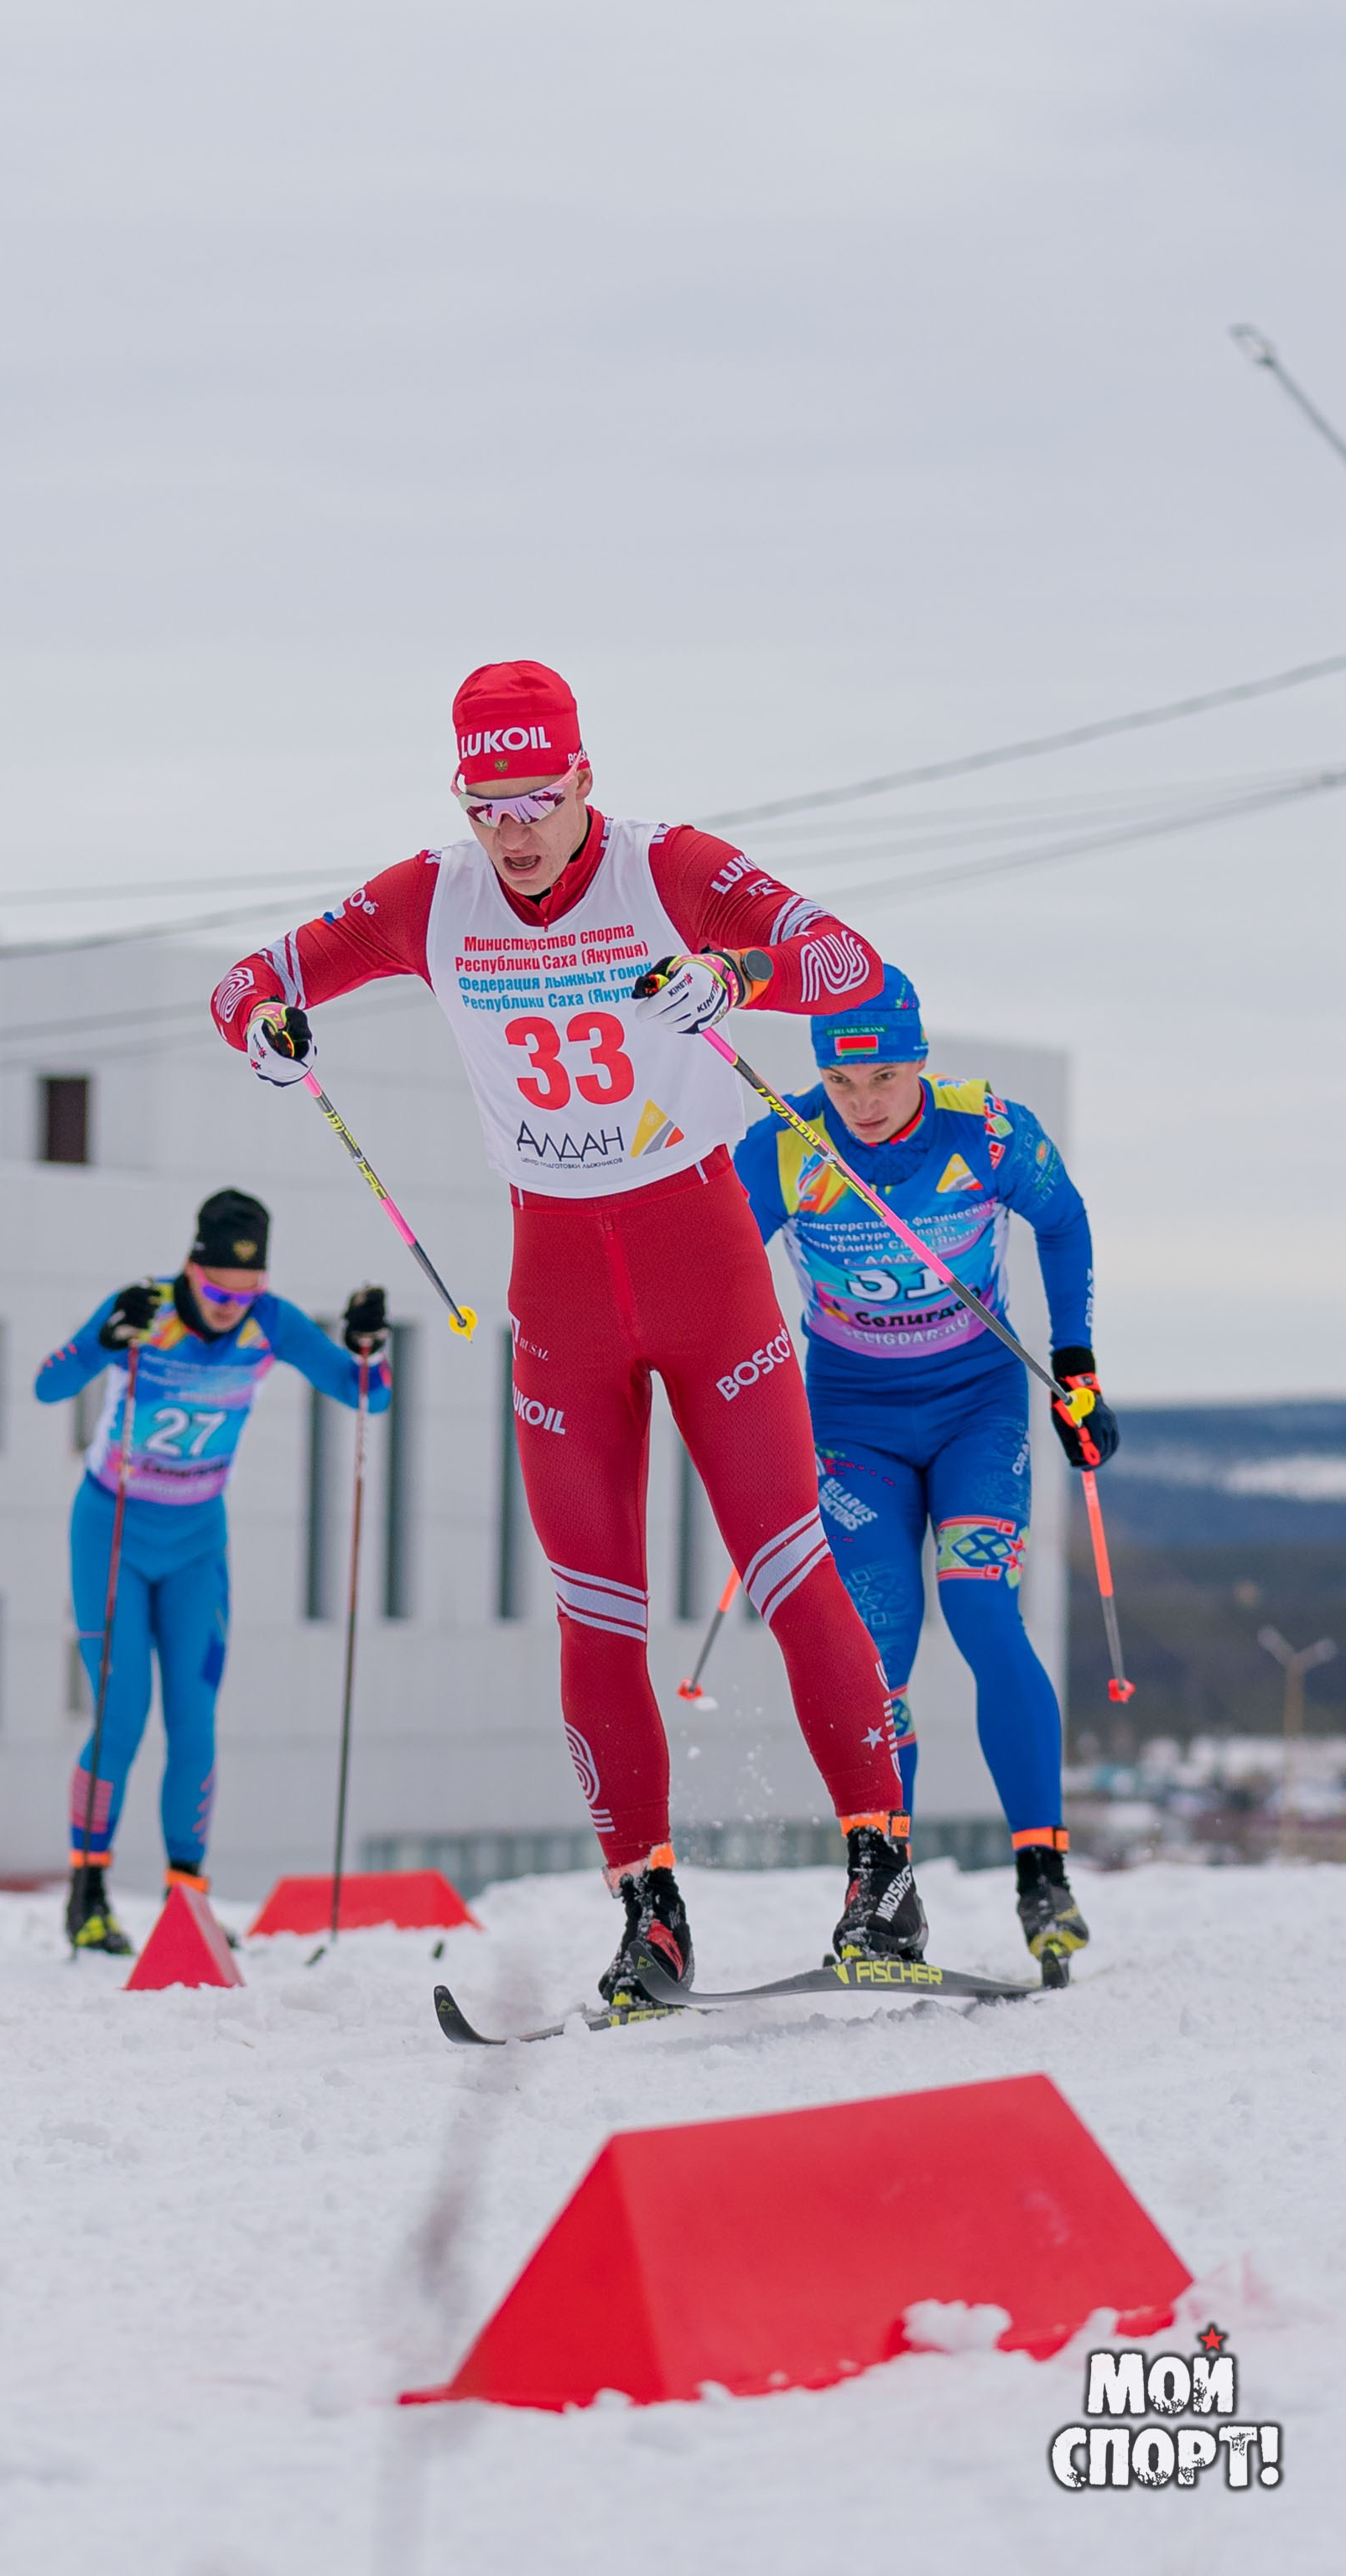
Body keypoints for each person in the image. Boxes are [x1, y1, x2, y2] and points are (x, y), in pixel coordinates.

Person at [210, 658, 924, 2006]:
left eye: (540, 796)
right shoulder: (436, 896)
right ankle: (648, 1915)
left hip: (702, 1259)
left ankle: (882, 1878)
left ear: (587, 779)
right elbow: (251, 977)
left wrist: (735, 973)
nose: (518, 830)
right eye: (492, 803)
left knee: (785, 1567)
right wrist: (265, 1023)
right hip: (561, 1284)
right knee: (595, 1610)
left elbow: (851, 963)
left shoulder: (672, 868)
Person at [731, 965, 1120, 1976]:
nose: (861, 1105)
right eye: (841, 1082)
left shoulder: (983, 1130)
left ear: (919, 1064)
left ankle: (1040, 1875)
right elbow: (718, 1270)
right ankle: (884, 1886)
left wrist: (1072, 1364)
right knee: (871, 1650)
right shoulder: (783, 1144)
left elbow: (1062, 1219)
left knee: (982, 1609)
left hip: (975, 1405)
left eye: (885, 1079)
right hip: (849, 1419)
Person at [34, 1187, 391, 1953]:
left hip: (198, 1539)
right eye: (219, 1290)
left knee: (194, 1726)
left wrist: (368, 1344)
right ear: (191, 1267)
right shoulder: (146, 1308)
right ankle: (87, 1893)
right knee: (121, 1716)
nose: (232, 1306)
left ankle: (185, 1900)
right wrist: (102, 1339)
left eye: (248, 1290)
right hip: (115, 1532)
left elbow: (368, 1395)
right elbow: (48, 1385)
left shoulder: (271, 1323)